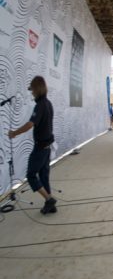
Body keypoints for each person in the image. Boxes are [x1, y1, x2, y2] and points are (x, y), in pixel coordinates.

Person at [8, 76, 57, 214]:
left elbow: (30, 124)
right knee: (43, 176)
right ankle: (50, 205)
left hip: (41, 147)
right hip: (47, 146)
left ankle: (49, 199)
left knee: (30, 175)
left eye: (33, 90)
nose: (32, 93)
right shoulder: (48, 103)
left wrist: (14, 133)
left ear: (37, 88)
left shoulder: (40, 105)